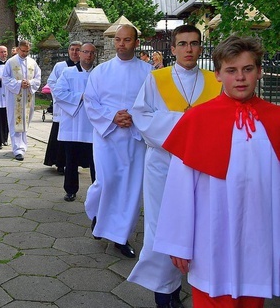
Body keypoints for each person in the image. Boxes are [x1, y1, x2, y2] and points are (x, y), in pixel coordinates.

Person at [154, 36, 280, 308]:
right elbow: (179, 188)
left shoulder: (275, 119)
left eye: (247, 69)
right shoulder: (198, 119)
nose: (241, 78)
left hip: (259, 235)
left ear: (259, 71)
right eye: (232, 70)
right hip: (212, 235)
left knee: (252, 295)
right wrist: (178, 243)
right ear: (218, 75)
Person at [127, 24, 222, 308]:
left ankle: (203, 286)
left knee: (201, 225)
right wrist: (187, 126)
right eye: (182, 44)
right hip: (164, 165)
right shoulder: (157, 79)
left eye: (194, 44)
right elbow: (141, 116)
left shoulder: (215, 81)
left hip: (202, 166)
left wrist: (194, 132)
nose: (189, 49)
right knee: (162, 227)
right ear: (172, 49)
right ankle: (165, 292)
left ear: (201, 47)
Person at [83, 24, 151, 258]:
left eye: (127, 40)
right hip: (107, 136)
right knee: (106, 182)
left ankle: (121, 237)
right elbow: (91, 102)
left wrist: (134, 116)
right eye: (118, 40)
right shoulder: (101, 72)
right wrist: (113, 116)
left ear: (136, 43)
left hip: (135, 138)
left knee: (131, 188)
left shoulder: (148, 73)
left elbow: (153, 105)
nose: (122, 44)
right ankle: (97, 215)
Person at [53, 42, 97, 202]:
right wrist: (80, 96)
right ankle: (70, 190)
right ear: (80, 54)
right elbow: (58, 92)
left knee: (95, 161)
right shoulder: (67, 72)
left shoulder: (99, 73)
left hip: (92, 124)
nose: (88, 55)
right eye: (85, 52)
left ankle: (97, 190)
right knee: (71, 160)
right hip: (72, 123)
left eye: (92, 52)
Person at [44, 41, 82, 173]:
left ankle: (74, 164)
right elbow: (52, 82)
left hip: (78, 107)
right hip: (62, 106)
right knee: (60, 134)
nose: (74, 52)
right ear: (68, 51)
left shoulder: (84, 67)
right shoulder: (60, 66)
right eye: (72, 49)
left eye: (78, 50)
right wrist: (63, 96)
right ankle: (59, 163)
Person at [2, 40, 41, 161]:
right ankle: (17, 149)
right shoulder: (10, 62)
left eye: (27, 51)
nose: (25, 53)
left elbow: (38, 78)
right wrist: (19, 83)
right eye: (23, 51)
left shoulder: (33, 63)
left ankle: (23, 145)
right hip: (15, 97)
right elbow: (5, 78)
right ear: (18, 49)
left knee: (25, 120)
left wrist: (30, 83)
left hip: (28, 96)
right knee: (15, 120)